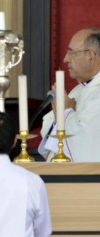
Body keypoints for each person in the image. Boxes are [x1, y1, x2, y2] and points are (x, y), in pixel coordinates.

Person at [38, 27, 100, 162]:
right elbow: (47, 126)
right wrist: (62, 113)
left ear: (90, 55)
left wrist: (66, 111)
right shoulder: (77, 91)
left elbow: (89, 141)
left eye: (71, 53)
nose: (66, 59)